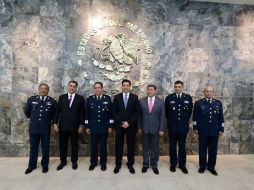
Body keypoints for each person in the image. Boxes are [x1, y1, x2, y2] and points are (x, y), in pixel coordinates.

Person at [24, 83, 56, 174]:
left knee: (45, 148)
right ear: (38, 89)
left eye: (45, 89)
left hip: (45, 129)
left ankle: (45, 166)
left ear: (47, 91)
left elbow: (54, 115)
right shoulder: (32, 99)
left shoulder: (52, 101)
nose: (43, 90)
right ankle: (31, 166)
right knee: (33, 148)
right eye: (41, 88)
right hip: (33, 128)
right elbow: (27, 112)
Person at [53, 81, 85, 170]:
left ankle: (74, 161)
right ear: (68, 87)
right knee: (63, 145)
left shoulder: (80, 98)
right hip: (63, 126)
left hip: (75, 127)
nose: (72, 88)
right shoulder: (62, 97)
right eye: (70, 86)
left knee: (75, 144)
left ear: (76, 88)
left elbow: (82, 113)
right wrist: (55, 123)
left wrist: (81, 125)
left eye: (74, 86)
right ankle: (63, 161)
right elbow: (57, 111)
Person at [193, 85, 224, 176]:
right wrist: (195, 128)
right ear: (204, 92)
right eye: (207, 91)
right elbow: (195, 117)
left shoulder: (218, 103)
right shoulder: (199, 103)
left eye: (211, 91)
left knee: (213, 150)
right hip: (203, 130)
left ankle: (211, 167)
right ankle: (202, 166)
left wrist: (221, 128)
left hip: (214, 131)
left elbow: (221, 117)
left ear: (213, 93)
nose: (209, 93)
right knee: (202, 149)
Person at [84, 82, 113, 171]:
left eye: (99, 87)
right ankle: (93, 163)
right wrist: (87, 126)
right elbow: (87, 114)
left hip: (104, 127)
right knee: (93, 147)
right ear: (94, 89)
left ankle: (103, 163)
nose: (97, 89)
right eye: (95, 88)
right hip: (93, 127)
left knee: (103, 147)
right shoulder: (90, 99)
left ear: (102, 88)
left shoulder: (107, 99)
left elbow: (110, 114)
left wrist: (110, 126)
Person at [165, 80, 193, 174]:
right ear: (174, 87)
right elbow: (167, 113)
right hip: (172, 127)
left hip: (183, 127)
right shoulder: (169, 98)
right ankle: (173, 164)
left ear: (182, 87)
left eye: (179, 86)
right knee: (172, 146)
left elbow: (189, 112)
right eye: (176, 86)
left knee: (182, 146)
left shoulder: (188, 98)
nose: (177, 88)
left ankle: (182, 165)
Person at [112, 79, 139, 174]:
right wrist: (121, 122)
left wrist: (128, 122)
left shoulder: (135, 97)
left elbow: (136, 112)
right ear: (122, 86)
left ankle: (130, 164)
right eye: (124, 85)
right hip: (119, 126)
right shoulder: (117, 97)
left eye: (127, 85)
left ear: (130, 86)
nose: (125, 87)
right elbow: (114, 112)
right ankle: (118, 164)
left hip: (130, 126)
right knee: (118, 145)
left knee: (131, 145)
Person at [138, 84, 165, 175]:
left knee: (154, 148)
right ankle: (145, 165)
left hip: (155, 129)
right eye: (148, 89)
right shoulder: (141, 101)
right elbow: (139, 116)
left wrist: (161, 129)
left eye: (151, 89)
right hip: (144, 128)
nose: (149, 91)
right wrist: (139, 127)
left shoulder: (160, 102)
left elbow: (162, 117)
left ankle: (154, 165)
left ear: (155, 91)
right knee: (145, 147)